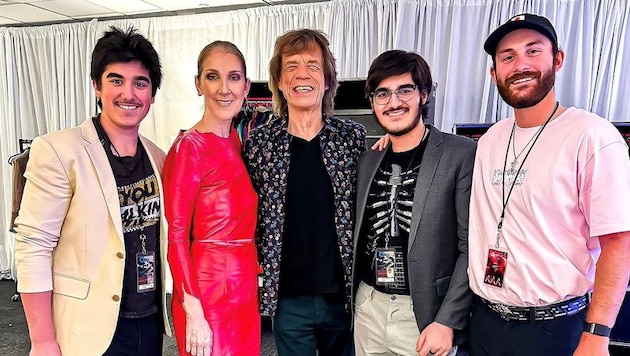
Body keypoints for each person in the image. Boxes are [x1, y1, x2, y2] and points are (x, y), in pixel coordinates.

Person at [468, 13, 630, 356]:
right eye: (508, 57)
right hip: (484, 321)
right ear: (494, 73)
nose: (520, 65)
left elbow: (619, 242)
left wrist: (598, 334)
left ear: (557, 59)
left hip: (555, 330)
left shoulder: (593, 136)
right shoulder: (489, 140)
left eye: (533, 51)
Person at [13, 27, 170, 356]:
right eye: (116, 80)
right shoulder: (58, 150)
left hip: (150, 321)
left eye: (140, 83)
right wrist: (42, 341)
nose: (128, 93)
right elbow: (33, 247)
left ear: (152, 94)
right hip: (89, 329)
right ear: (97, 86)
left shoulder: (158, 157)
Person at [244, 29, 366, 356]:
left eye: (313, 65)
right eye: (292, 66)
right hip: (288, 298)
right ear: (280, 82)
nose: (302, 74)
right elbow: (248, 214)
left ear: (327, 80)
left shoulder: (352, 139)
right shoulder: (260, 145)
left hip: (342, 297)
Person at [352, 50, 475, 356]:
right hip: (368, 306)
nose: (393, 103)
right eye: (383, 94)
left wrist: (447, 321)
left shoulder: (460, 154)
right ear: (373, 103)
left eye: (404, 90)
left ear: (422, 94)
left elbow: (471, 246)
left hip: (423, 316)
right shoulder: (367, 160)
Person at [162, 41, 260, 356]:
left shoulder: (237, 141)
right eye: (213, 77)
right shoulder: (189, 147)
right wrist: (193, 312)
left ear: (246, 86)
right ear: (198, 84)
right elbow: (176, 238)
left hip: (243, 292)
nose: (224, 88)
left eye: (233, 78)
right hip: (207, 294)